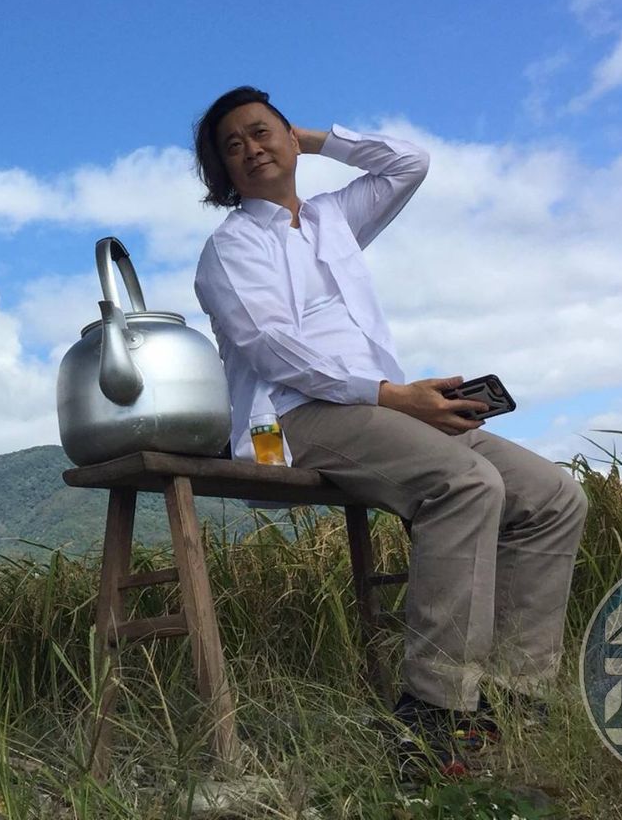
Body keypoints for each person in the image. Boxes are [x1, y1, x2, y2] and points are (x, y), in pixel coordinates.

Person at [190, 85, 588, 778]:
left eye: (262, 132)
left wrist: (317, 139)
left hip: (387, 409)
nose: (251, 149)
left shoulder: (333, 218)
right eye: (233, 146)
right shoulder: (230, 248)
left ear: (290, 137)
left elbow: (409, 163)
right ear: (221, 173)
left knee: (553, 496)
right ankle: (433, 715)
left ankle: (514, 699)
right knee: (466, 484)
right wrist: (394, 396)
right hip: (292, 419)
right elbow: (272, 348)